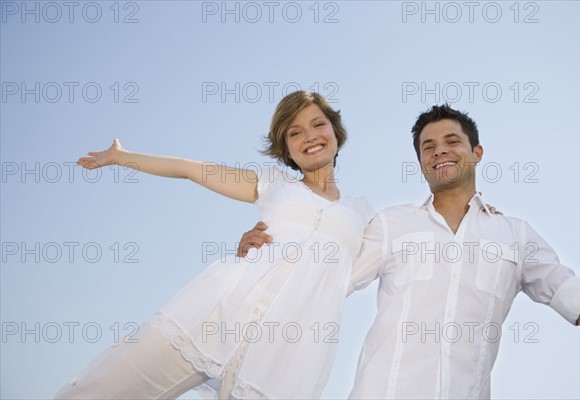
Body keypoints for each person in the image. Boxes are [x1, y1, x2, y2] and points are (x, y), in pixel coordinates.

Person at [238, 104, 580, 399]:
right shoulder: (391, 225)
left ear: (476, 152)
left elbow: (575, 296)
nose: (439, 149)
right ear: (422, 162)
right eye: (428, 146)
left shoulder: (516, 236)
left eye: (451, 141)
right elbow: (320, 279)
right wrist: (268, 251)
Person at [55, 91, 373, 399]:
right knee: (105, 387)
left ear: (335, 131)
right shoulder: (275, 184)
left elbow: (395, 254)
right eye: (295, 132)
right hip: (214, 311)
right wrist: (123, 158)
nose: (310, 136)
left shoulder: (362, 214)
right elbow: (189, 170)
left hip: (282, 353)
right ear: (286, 149)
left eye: (318, 124)